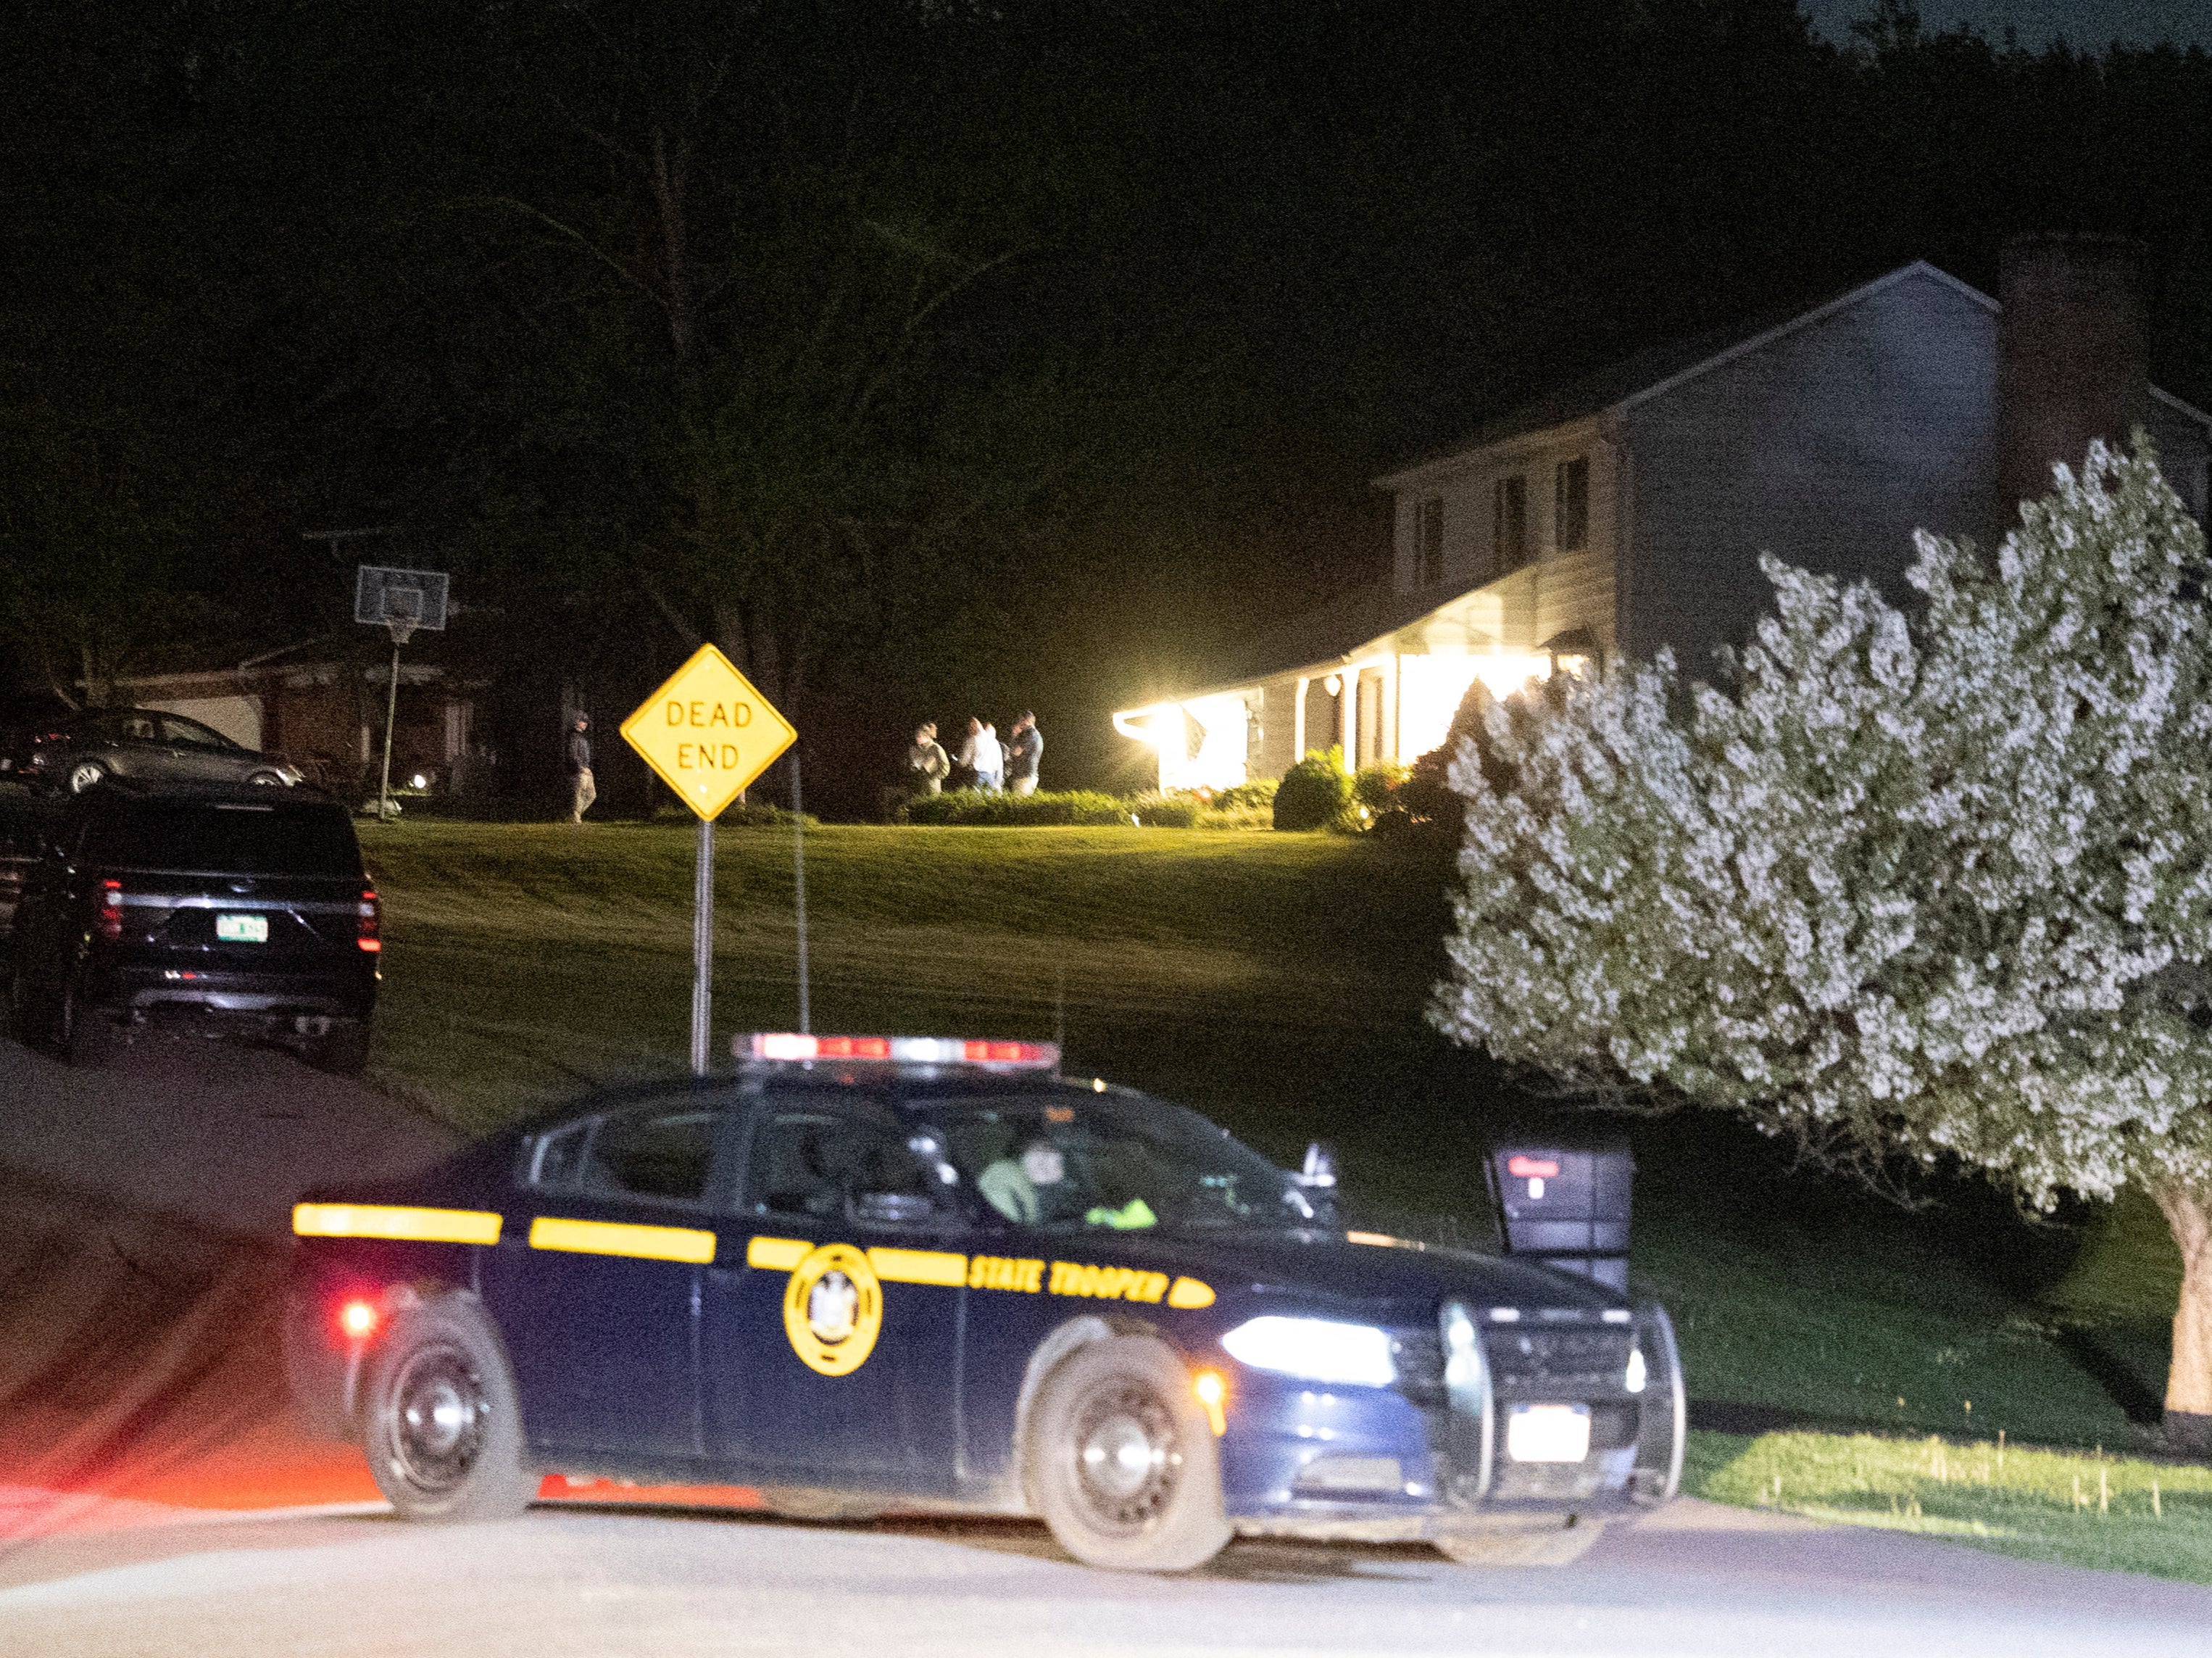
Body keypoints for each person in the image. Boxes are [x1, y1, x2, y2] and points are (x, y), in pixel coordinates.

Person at [956, 716, 1004, 792]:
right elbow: (1000, 764)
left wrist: (956, 761)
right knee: (987, 801)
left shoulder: (972, 739)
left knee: (975, 801)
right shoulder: (995, 742)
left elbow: (963, 762)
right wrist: (998, 782)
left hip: (976, 775)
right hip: (991, 776)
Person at [906, 721, 950, 797]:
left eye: (920, 737)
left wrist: (935, 777)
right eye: (916, 736)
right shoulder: (915, 749)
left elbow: (946, 766)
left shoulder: (936, 749)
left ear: (927, 736)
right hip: (919, 784)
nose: (917, 739)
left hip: (933, 786)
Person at [1005, 711, 1043, 796]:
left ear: (1026, 721)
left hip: (1024, 776)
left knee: (1018, 806)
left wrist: (1014, 736)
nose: (1018, 723)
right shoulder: (1037, 735)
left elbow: (1016, 752)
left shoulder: (1029, 734)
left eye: (1020, 720)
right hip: (1030, 774)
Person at [566, 716, 595, 824]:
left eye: (586, 722)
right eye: (583, 722)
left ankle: (574, 815)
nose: (585, 724)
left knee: (591, 795)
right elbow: (573, 754)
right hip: (580, 770)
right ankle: (575, 817)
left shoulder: (582, 737)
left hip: (586, 769)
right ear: (577, 722)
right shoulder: (573, 736)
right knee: (580, 794)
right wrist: (581, 768)